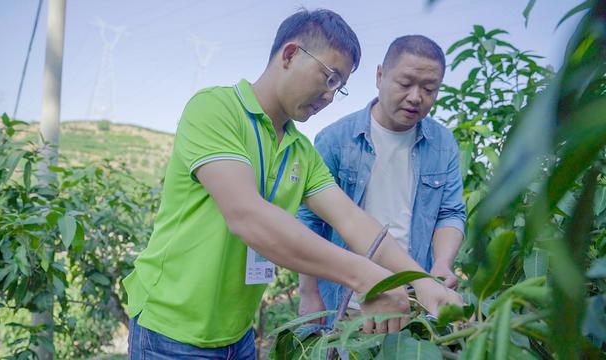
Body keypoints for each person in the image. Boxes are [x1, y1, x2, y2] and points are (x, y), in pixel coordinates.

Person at [123, 10, 461, 358]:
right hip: (170, 332)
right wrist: (366, 276)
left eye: (340, 87)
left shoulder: (300, 150)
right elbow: (247, 216)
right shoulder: (216, 110)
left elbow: (353, 221)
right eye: (329, 77)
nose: (330, 96)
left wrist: (422, 281)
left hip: (237, 334)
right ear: (290, 55)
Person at [298, 35, 466, 326]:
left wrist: (441, 265)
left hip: (416, 298)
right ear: (380, 76)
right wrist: (308, 291)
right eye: (405, 84)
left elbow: (450, 213)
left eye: (429, 89)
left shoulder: (442, 143)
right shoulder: (335, 140)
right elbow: (310, 222)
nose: (416, 97)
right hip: (346, 301)